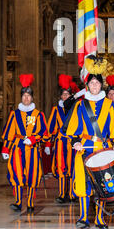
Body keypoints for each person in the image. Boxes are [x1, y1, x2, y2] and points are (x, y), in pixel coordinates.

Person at [65, 55, 114, 229]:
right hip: (84, 148)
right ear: (87, 86)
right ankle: (84, 217)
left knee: (102, 184)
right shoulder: (80, 105)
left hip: (103, 149)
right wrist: (76, 141)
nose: (94, 86)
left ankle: (99, 219)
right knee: (84, 184)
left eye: (97, 83)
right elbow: (72, 128)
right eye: (91, 83)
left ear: (102, 85)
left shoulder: (112, 106)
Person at [1, 74, 49, 213]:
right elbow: (9, 132)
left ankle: (30, 203)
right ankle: (17, 202)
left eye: (28, 95)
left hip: (32, 149)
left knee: (32, 174)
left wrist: (33, 138)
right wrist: (5, 148)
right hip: (17, 148)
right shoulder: (14, 114)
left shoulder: (38, 114)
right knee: (16, 173)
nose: (26, 98)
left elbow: (44, 133)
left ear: (32, 98)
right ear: (21, 97)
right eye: (24, 95)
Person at [47, 74, 80, 203]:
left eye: (68, 94)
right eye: (63, 94)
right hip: (61, 142)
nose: (65, 96)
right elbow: (51, 128)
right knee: (61, 167)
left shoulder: (76, 109)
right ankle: (62, 194)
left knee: (72, 167)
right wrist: (49, 144)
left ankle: (72, 193)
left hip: (73, 142)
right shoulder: (56, 110)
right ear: (61, 96)